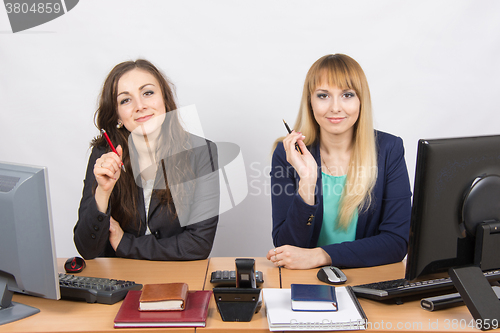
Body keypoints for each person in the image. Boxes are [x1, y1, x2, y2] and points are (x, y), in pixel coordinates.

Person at [266, 54, 412, 269]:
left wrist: (321, 256)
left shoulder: (389, 149)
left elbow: (396, 242)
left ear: (361, 100)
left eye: (347, 95)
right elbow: (287, 246)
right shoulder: (287, 153)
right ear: (310, 102)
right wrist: (307, 182)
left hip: (368, 279)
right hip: (308, 282)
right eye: (323, 96)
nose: (335, 107)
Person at [74, 59, 219, 260]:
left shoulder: (201, 152)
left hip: (175, 279)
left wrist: (125, 243)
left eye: (148, 93)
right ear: (117, 116)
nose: (140, 106)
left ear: (165, 100)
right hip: (119, 281)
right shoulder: (103, 155)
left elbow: (198, 244)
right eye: (125, 100)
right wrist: (103, 193)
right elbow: (87, 249)